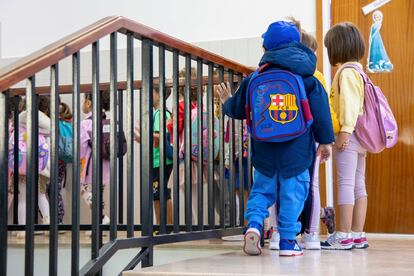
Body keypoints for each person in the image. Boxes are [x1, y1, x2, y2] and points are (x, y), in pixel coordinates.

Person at [217, 21, 334, 256]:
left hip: (264, 148)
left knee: (261, 190)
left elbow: (239, 109)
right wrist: (325, 141)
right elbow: (320, 111)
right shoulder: (306, 76)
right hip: (297, 149)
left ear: (267, 46)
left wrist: (227, 102)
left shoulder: (255, 77)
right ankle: (288, 244)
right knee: (293, 192)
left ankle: (254, 226)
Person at [321, 22, 369, 250]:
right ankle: (358, 234)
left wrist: (344, 133)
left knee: (346, 183)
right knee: (359, 185)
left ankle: (343, 235)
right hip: (362, 138)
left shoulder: (346, 73)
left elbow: (348, 106)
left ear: (337, 48)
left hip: (349, 135)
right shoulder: (359, 71)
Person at [9, 96, 52, 238]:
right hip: (40, 166)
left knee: (22, 199)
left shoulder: (19, 121)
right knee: (41, 196)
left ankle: (22, 229)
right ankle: (47, 224)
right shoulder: (46, 124)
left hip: (21, 164)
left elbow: (11, 143)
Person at [134, 87, 174, 228]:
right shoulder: (162, 113)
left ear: (159, 95)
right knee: (159, 195)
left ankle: (166, 226)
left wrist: (144, 133)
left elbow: (161, 135)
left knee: (162, 195)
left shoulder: (160, 113)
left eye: (152, 92)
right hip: (160, 160)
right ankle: (161, 226)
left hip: (161, 160)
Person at [80, 91, 111, 233]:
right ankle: (100, 222)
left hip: (89, 163)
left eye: (83, 100)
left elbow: (81, 145)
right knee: (99, 192)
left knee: (83, 190)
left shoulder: (86, 123)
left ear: (88, 102)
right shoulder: (106, 120)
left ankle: (101, 219)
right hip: (105, 163)